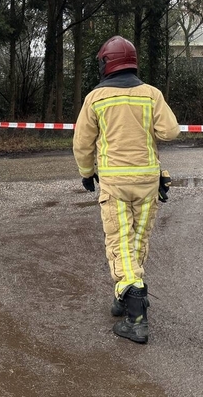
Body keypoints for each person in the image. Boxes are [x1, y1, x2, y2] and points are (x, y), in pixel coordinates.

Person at [72, 36, 180, 344]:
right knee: (137, 239)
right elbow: (170, 131)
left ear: (106, 63)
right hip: (148, 181)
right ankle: (123, 294)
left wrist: (86, 172)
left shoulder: (96, 98)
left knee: (119, 241)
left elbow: (82, 143)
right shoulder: (151, 94)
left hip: (115, 183)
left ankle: (135, 315)